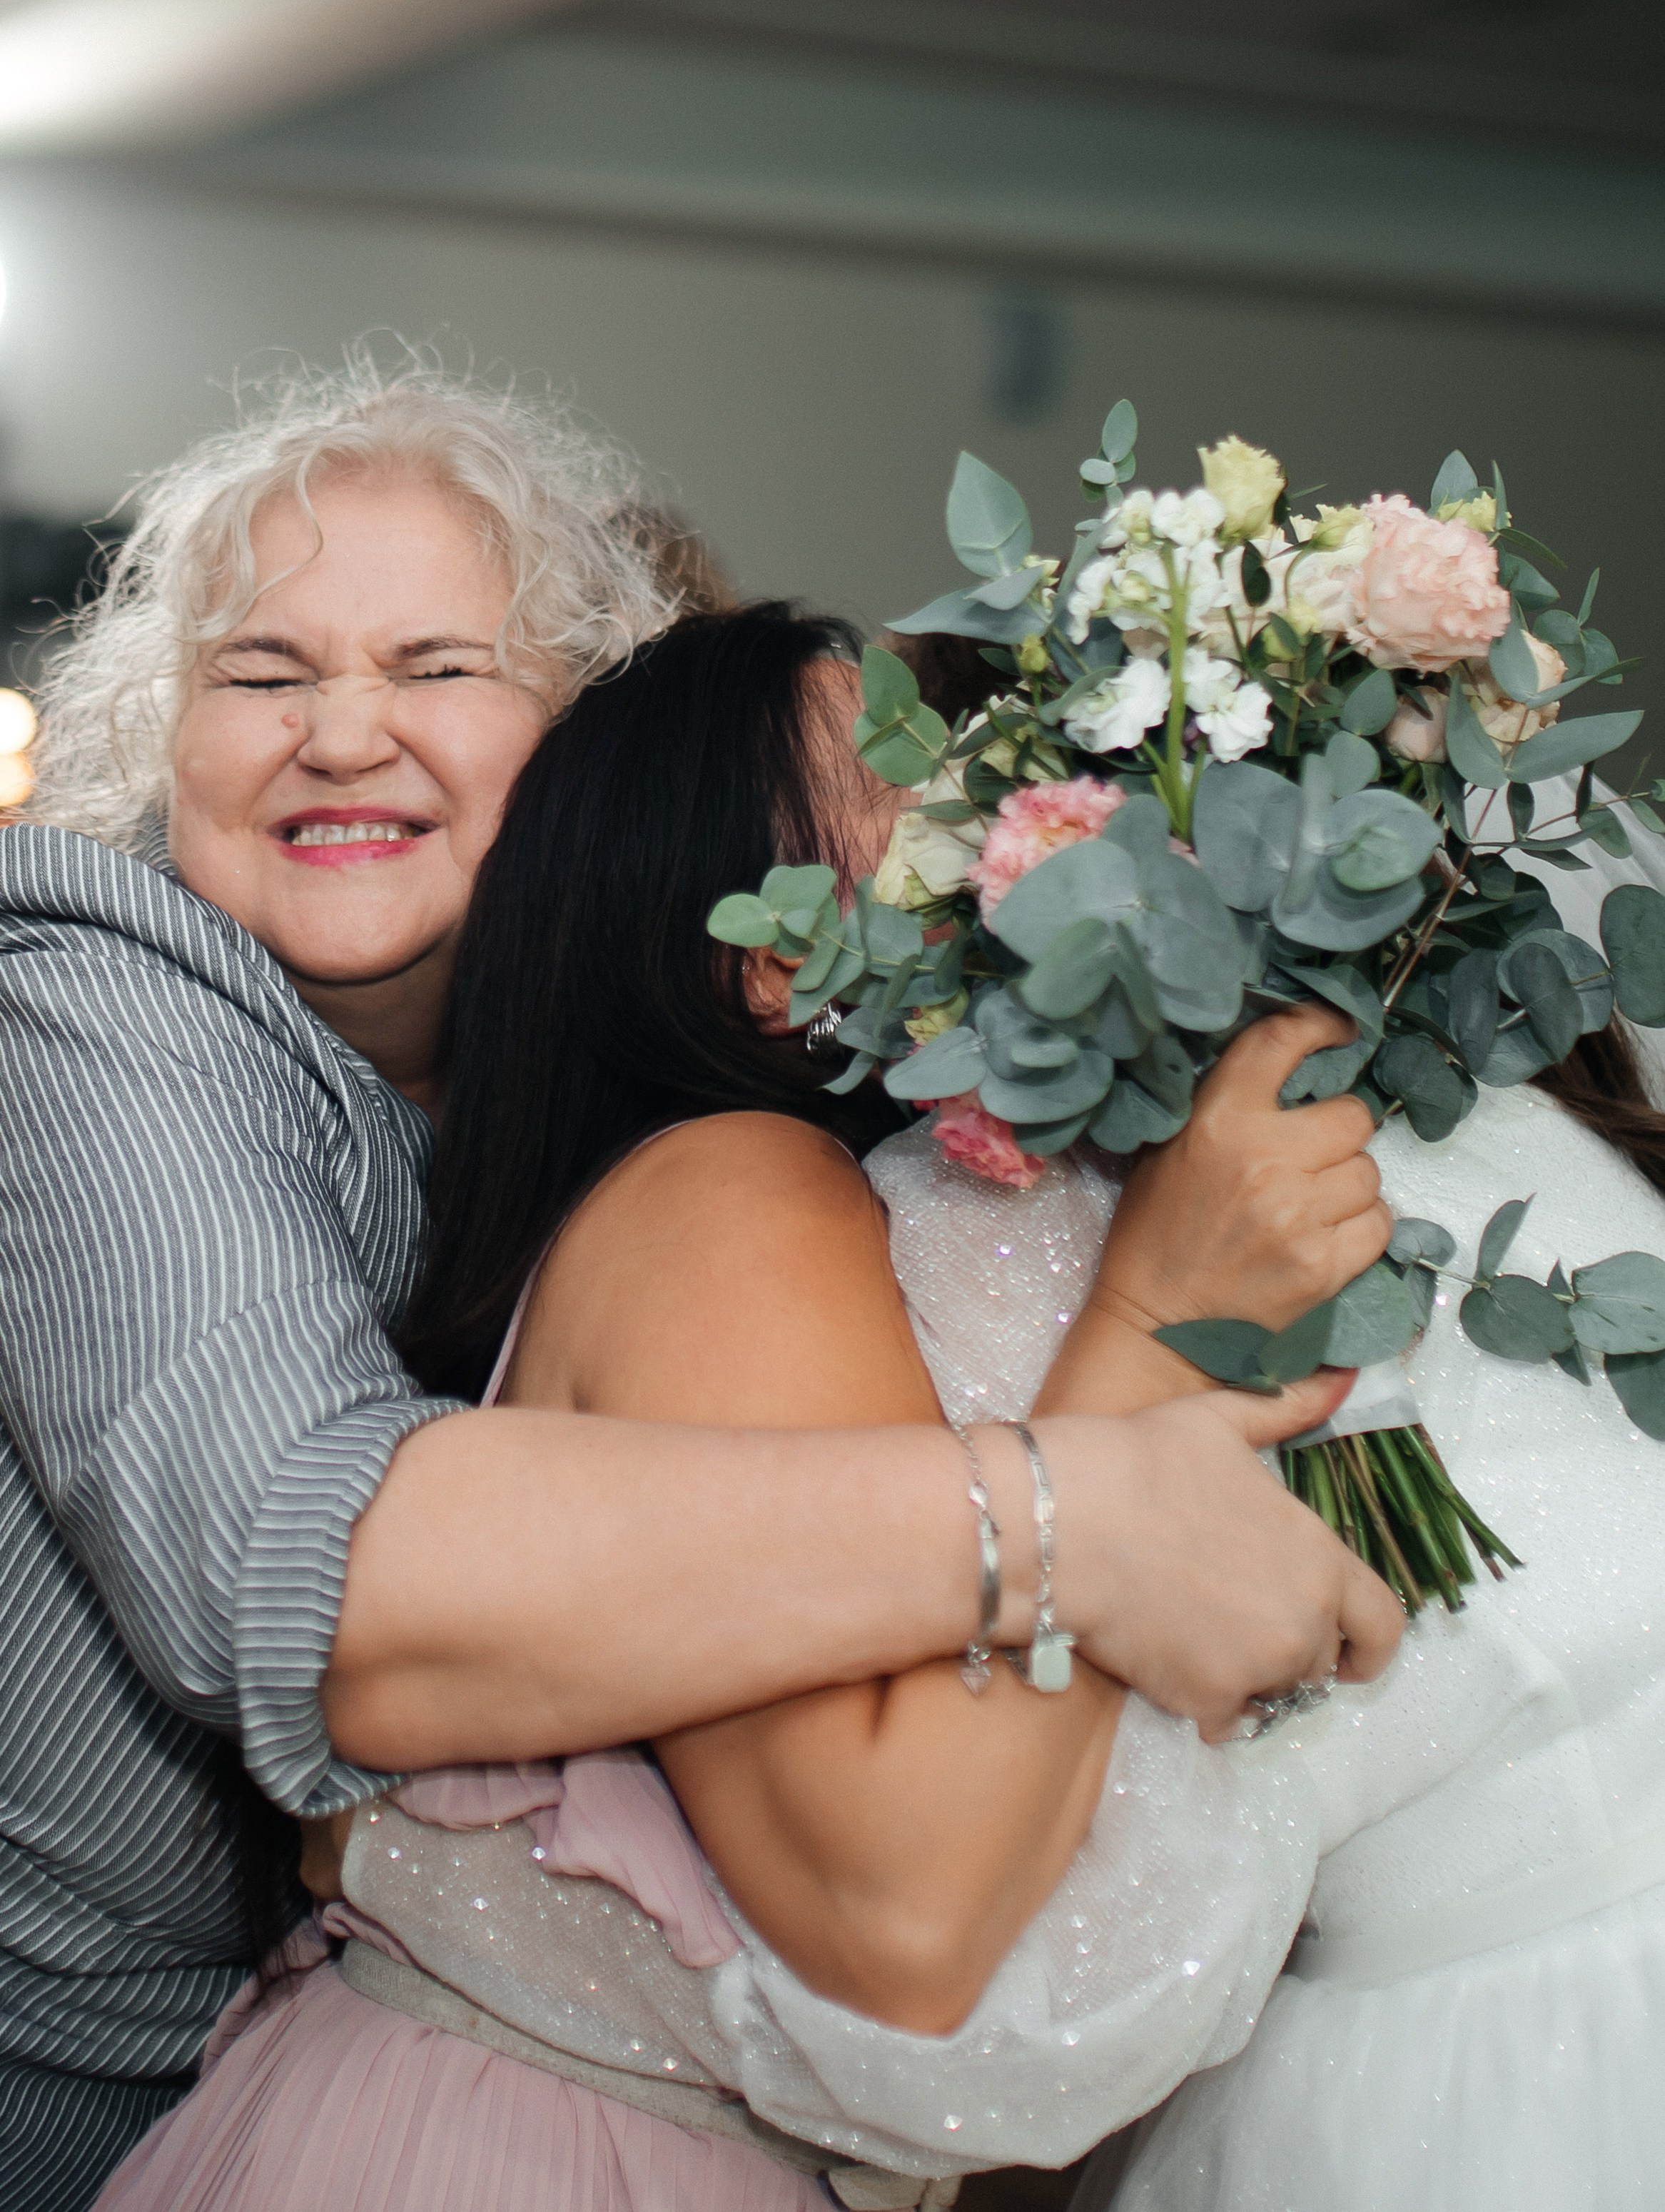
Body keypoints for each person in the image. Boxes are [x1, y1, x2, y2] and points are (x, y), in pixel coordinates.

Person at [0, 363, 1397, 2212]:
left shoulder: (551, 1142)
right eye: (262, 674)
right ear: (162, 739)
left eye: (439, 667)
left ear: (587, 746)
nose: (343, 732)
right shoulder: (98, 984)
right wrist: (1082, 1502)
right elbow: (296, 1571)